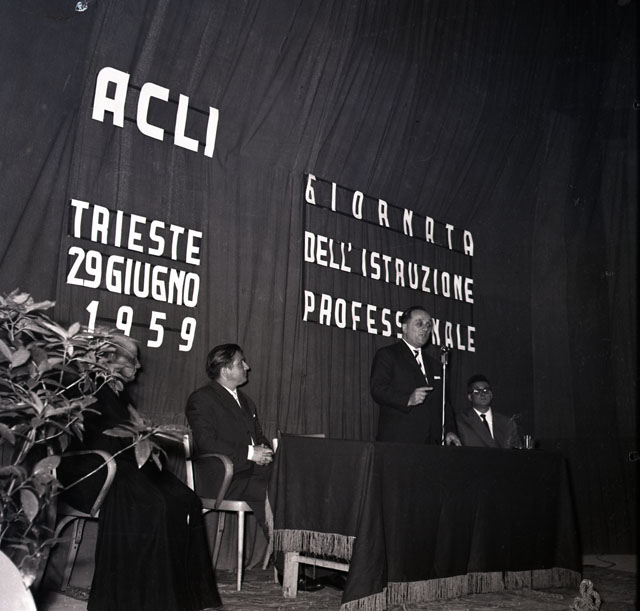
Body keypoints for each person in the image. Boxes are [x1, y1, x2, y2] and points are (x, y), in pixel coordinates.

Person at [58, 334, 223, 611]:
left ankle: (185, 597)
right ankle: (143, 599)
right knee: (154, 503)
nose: (138, 366)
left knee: (185, 499)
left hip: (123, 465)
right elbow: (89, 440)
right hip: (92, 471)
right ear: (109, 358)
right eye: (133, 359)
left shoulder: (117, 394)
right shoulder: (85, 387)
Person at [185, 344, 324, 592]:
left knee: (297, 485)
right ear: (225, 370)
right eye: (241, 363)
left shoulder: (246, 402)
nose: (247, 367)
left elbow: (259, 438)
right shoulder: (201, 399)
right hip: (223, 478)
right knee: (274, 491)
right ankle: (289, 570)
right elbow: (206, 442)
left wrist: (266, 453)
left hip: (251, 474)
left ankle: (317, 566)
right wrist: (251, 454)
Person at [370, 306, 461, 445]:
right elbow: (378, 390)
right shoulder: (388, 355)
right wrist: (407, 399)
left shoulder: (435, 365)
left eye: (428, 325)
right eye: (419, 324)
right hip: (400, 441)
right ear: (404, 327)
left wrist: (449, 430)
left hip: (432, 443)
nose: (425, 329)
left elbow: (444, 402)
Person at [456, 374, 519, 448]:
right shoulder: (460, 421)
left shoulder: (507, 423)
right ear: (470, 397)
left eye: (485, 390)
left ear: (491, 394)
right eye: (477, 391)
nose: (483, 394)